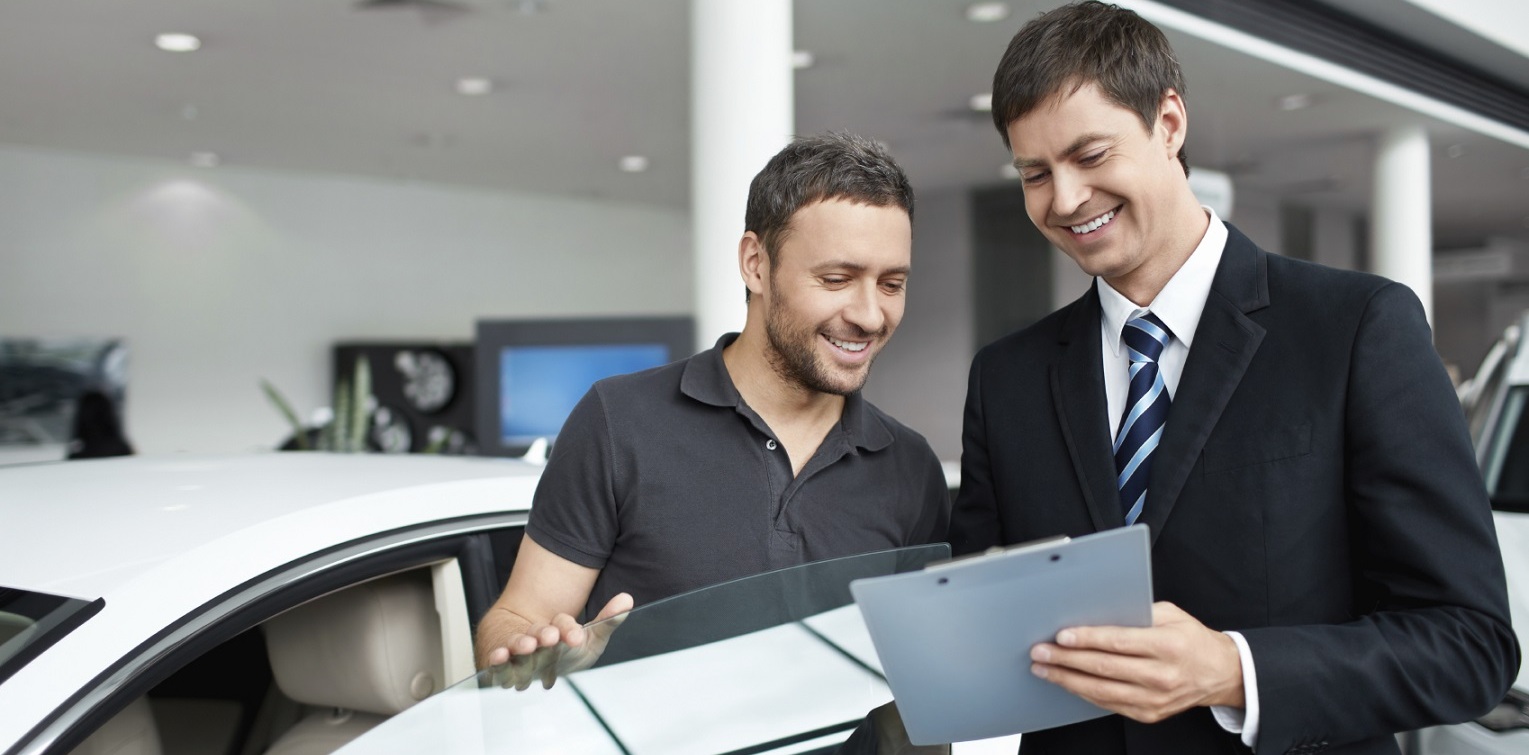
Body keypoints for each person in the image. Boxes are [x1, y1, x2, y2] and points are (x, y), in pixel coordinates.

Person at [949, 3, 1518, 753]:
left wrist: (1232, 670)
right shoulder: (1006, 377)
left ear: (1169, 124)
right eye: (1034, 173)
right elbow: (976, 626)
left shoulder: (1355, 329)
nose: (1063, 199)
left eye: (1089, 156)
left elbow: (1467, 645)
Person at [475, 132, 951, 678]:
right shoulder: (618, 421)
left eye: (891, 284)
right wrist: (531, 652)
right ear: (755, 263)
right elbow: (515, 617)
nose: (870, 315)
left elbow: (917, 685)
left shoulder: (910, 468)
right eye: (837, 279)